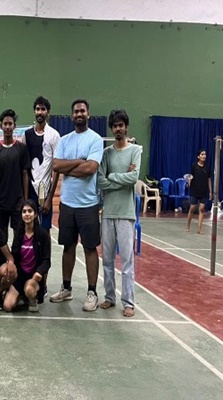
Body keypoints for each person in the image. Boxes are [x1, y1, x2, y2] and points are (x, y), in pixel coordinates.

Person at [50, 99, 103, 312]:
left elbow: (90, 169)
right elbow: (56, 165)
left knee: (90, 248)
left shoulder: (95, 139)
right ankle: (66, 288)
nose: (79, 114)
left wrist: (69, 167)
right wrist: (79, 162)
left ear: (88, 114)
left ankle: (92, 292)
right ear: (72, 116)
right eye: (76, 111)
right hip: (67, 205)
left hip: (88, 205)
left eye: (82, 111)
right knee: (68, 247)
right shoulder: (64, 140)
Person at [97, 109, 142, 318]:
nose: (118, 129)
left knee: (126, 261)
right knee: (107, 260)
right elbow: (100, 181)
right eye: (115, 126)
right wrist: (121, 178)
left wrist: (113, 176)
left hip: (126, 214)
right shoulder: (106, 153)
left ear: (126, 127)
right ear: (111, 129)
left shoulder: (135, 151)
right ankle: (109, 297)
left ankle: (128, 302)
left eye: (121, 125)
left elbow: (133, 178)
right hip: (107, 213)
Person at [0, 109, 30, 242]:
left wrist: (25, 199)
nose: (7, 127)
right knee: (2, 238)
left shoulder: (22, 149)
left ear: (14, 126)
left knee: (19, 236)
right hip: (1, 203)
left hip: (17, 203)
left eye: (10, 124)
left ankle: (16, 256)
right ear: (1, 126)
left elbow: (25, 174)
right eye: (5, 124)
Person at [3, 200, 51, 313]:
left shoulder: (42, 234)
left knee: (29, 289)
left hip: (34, 277)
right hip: (20, 276)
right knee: (7, 306)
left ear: (35, 214)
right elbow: (14, 255)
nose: (27, 214)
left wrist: (39, 272)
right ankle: (21, 294)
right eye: (24, 211)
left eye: (30, 211)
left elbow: (47, 261)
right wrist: (10, 264)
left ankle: (32, 298)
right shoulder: (19, 234)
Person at [21, 96, 61, 231]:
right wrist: (25, 197)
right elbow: (24, 167)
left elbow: (56, 169)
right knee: (28, 230)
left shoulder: (54, 135)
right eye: (37, 109)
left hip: (45, 190)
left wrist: (49, 198)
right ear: (34, 111)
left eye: (43, 109)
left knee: (44, 232)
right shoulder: (26, 135)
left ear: (48, 112)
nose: (40, 112)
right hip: (30, 190)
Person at [186, 149, 212, 234]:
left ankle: (199, 229)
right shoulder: (194, 166)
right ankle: (188, 226)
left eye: (205, 154)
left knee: (202, 209)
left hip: (204, 191)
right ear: (198, 156)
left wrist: (210, 191)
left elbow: (209, 180)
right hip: (195, 191)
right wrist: (189, 183)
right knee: (192, 208)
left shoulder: (207, 167)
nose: (204, 156)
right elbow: (190, 177)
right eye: (202, 154)